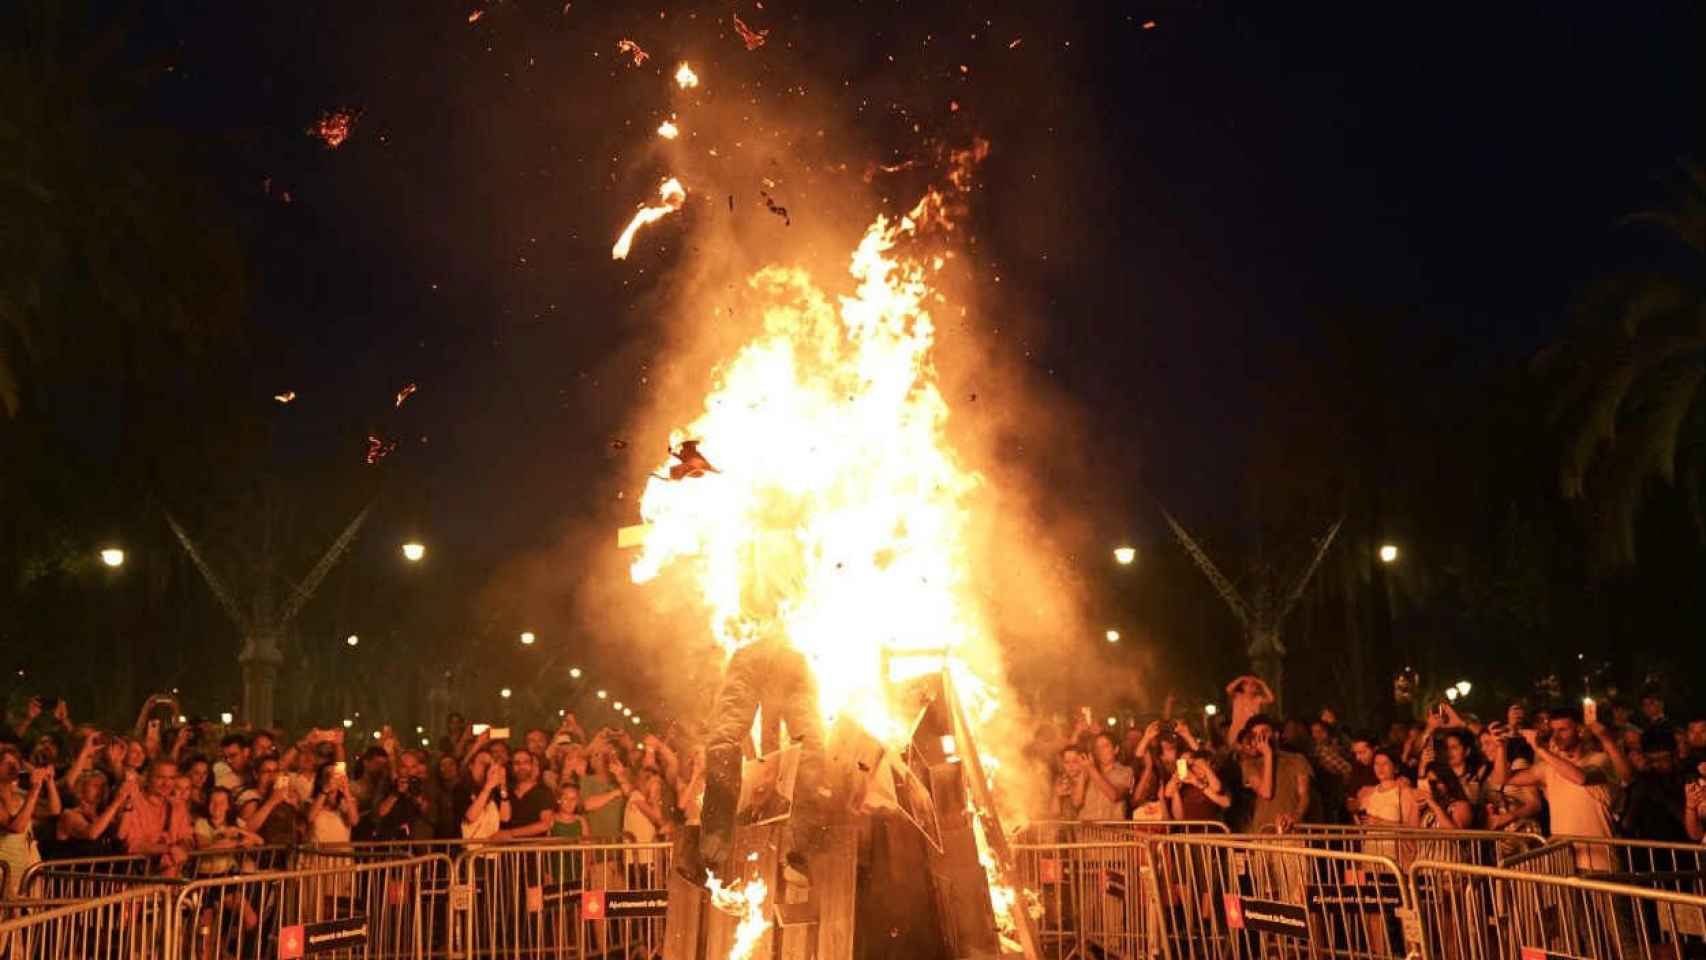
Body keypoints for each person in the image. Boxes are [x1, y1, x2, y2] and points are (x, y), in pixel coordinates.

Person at [1490, 707, 1631, 871]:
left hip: (1600, 862)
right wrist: (1501, 747)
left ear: (1579, 730)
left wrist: (1540, 749)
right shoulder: (1548, 768)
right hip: (1564, 862)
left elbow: (1580, 778)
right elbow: (1503, 779)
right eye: (1553, 731)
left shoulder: (1601, 760)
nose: (1556, 736)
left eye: (1562, 730)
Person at [1237, 715, 1312, 831]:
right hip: (1264, 830)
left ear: (1276, 734)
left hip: (1292, 829)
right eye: (1256, 735)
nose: (1261, 737)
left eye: (1264, 732)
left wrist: (1295, 816)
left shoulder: (1297, 759)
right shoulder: (1250, 764)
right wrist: (1268, 755)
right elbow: (1266, 792)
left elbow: (1304, 794)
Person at [1, 745, 58, 895]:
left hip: (21, 872)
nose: (14, 767)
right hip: (2, 874)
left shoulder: (19, 795)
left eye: (16, 763)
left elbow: (54, 810)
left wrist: (49, 782)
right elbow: (16, 827)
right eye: (8, 763)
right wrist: (35, 789)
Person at [118, 758, 192, 875]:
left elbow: (187, 838)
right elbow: (133, 845)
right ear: (148, 778)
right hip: (138, 880)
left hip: (171, 881)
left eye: (171, 778)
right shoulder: (134, 803)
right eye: (160, 777)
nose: (166, 783)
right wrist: (168, 849)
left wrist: (182, 848)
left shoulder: (178, 806)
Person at [1621, 728, 1689, 842]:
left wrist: (1664, 799)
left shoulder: (1687, 777)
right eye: (1651, 760)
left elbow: (1690, 824)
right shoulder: (1644, 780)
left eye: (1662, 759)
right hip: (1650, 849)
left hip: (1684, 847)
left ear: (1675, 755)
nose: (1657, 764)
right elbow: (1627, 823)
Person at [56, 771, 132, 859]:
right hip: (73, 870)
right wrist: (117, 801)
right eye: (95, 785)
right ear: (81, 787)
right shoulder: (69, 814)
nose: (101, 790)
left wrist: (127, 805)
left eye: (103, 786)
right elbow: (92, 833)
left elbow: (120, 835)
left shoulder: (103, 814)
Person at [192, 787, 262, 876]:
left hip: (230, 872)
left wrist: (238, 830)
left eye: (222, 802)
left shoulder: (236, 822)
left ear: (228, 805)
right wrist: (238, 843)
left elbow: (259, 841)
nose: (217, 806)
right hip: (208, 874)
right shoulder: (201, 823)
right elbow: (205, 848)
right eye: (213, 802)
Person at [494, 749, 555, 840]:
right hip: (508, 851)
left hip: (535, 850)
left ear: (532, 765)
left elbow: (545, 824)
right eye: (517, 763)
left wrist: (511, 833)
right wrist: (503, 788)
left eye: (526, 762)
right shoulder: (505, 791)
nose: (521, 766)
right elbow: (504, 819)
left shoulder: (544, 791)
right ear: (511, 767)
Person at [1079, 732, 1134, 822]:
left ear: (1116, 750)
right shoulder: (1088, 769)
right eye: (1097, 747)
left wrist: (1091, 769)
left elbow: (1114, 796)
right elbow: (1076, 802)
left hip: (1111, 832)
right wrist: (1083, 772)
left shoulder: (1126, 771)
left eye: (1105, 746)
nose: (1101, 751)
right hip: (1087, 831)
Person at [1164, 751, 1231, 822]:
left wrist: (1197, 782)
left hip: (1211, 831)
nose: (1196, 768)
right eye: (1191, 766)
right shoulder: (1184, 783)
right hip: (1189, 831)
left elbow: (1226, 802)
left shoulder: (1215, 780)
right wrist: (1175, 785)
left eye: (1199, 764)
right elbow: (1178, 817)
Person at [305, 762, 359, 846]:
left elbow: (354, 821)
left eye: (335, 775)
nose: (332, 778)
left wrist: (346, 791)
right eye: (327, 775)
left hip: (340, 855)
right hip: (318, 854)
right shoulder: (311, 802)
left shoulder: (347, 801)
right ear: (320, 780)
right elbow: (310, 817)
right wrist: (325, 789)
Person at [459, 751, 510, 840]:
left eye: (489, 764)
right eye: (482, 763)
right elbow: (470, 817)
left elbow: (505, 818)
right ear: (471, 766)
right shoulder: (461, 788)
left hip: (491, 850)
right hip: (470, 849)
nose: (486, 767)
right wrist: (488, 786)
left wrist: (503, 786)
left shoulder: (494, 790)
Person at [1417, 763, 1475, 829]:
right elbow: (1413, 833)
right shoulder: (1427, 806)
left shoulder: (1461, 805)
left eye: (1438, 782)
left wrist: (1433, 805)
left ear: (1448, 781)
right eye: (1430, 782)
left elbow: (1455, 835)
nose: (1433, 786)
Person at [1225, 675, 1275, 744]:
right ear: (1243, 687)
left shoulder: (1257, 699)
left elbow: (1271, 699)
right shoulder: (1238, 696)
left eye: (1253, 685)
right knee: (1235, 749)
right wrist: (1241, 679)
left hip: (1250, 730)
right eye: (1247, 684)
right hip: (1237, 729)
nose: (1250, 687)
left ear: (1256, 688)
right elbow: (1228, 689)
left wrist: (1262, 683)